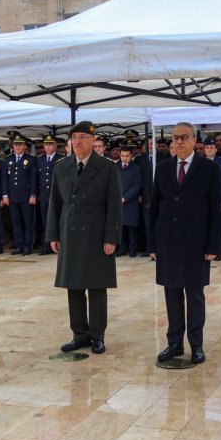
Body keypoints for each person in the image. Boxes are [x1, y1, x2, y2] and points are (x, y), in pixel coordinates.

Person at [149, 122, 221, 364]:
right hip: (168, 241)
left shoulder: (209, 169)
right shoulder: (162, 169)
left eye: (184, 137)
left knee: (194, 294)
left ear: (194, 141)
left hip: (196, 243)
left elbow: (216, 211)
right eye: (175, 137)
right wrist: (152, 244)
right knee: (171, 293)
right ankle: (174, 343)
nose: (178, 142)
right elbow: (154, 208)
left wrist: (213, 245)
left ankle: (196, 344)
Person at [45, 121, 122, 355]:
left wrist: (111, 237)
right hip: (70, 232)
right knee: (74, 285)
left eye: (82, 137)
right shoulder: (62, 167)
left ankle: (97, 335)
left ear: (92, 140)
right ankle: (79, 334)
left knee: (97, 286)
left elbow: (114, 206)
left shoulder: (107, 167)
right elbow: (54, 204)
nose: (77, 142)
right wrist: (53, 234)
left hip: (97, 233)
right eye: (74, 138)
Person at [3, 135, 37, 256]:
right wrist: (5, 195)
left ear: (24, 146)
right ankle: (19, 245)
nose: (18, 147)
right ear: (13, 146)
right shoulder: (8, 159)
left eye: (20, 144)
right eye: (16, 145)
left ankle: (28, 246)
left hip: (26, 196)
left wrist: (33, 194)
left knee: (28, 222)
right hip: (12, 196)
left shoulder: (31, 159)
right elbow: (4, 179)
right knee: (16, 222)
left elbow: (33, 179)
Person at [35, 135, 63, 255]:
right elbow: (36, 178)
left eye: (50, 144)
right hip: (44, 195)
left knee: (58, 220)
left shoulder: (61, 159)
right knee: (45, 221)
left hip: (57, 195)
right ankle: (47, 246)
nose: (47, 147)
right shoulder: (39, 159)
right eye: (46, 144)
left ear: (55, 146)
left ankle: (60, 244)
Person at [116, 147, 142, 257]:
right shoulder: (115, 167)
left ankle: (132, 250)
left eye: (127, 156)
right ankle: (122, 249)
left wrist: (125, 197)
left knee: (132, 228)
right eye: (122, 156)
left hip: (131, 202)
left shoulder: (136, 168)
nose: (125, 158)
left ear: (131, 156)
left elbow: (137, 186)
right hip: (118, 202)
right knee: (121, 227)